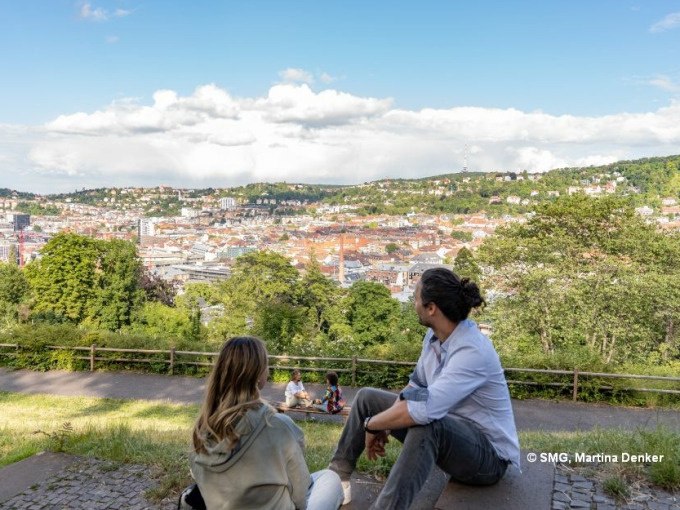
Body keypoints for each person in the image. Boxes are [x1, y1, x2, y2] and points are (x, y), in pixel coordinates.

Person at [328, 268, 520, 510]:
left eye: (416, 297)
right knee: (366, 398)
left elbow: (424, 410)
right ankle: (337, 481)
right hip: (451, 434)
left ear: (431, 308)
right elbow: (416, 389)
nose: (413, 303)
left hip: (488, 458)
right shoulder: (434, 338)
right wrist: (386, 418)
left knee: (428, 425)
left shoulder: (472, 350)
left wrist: (374, 424)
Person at [190, 336, 343, 510]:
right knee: (331, 479)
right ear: (258, 374)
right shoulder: (278, 426)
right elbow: (301, 497)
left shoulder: (200, 431)